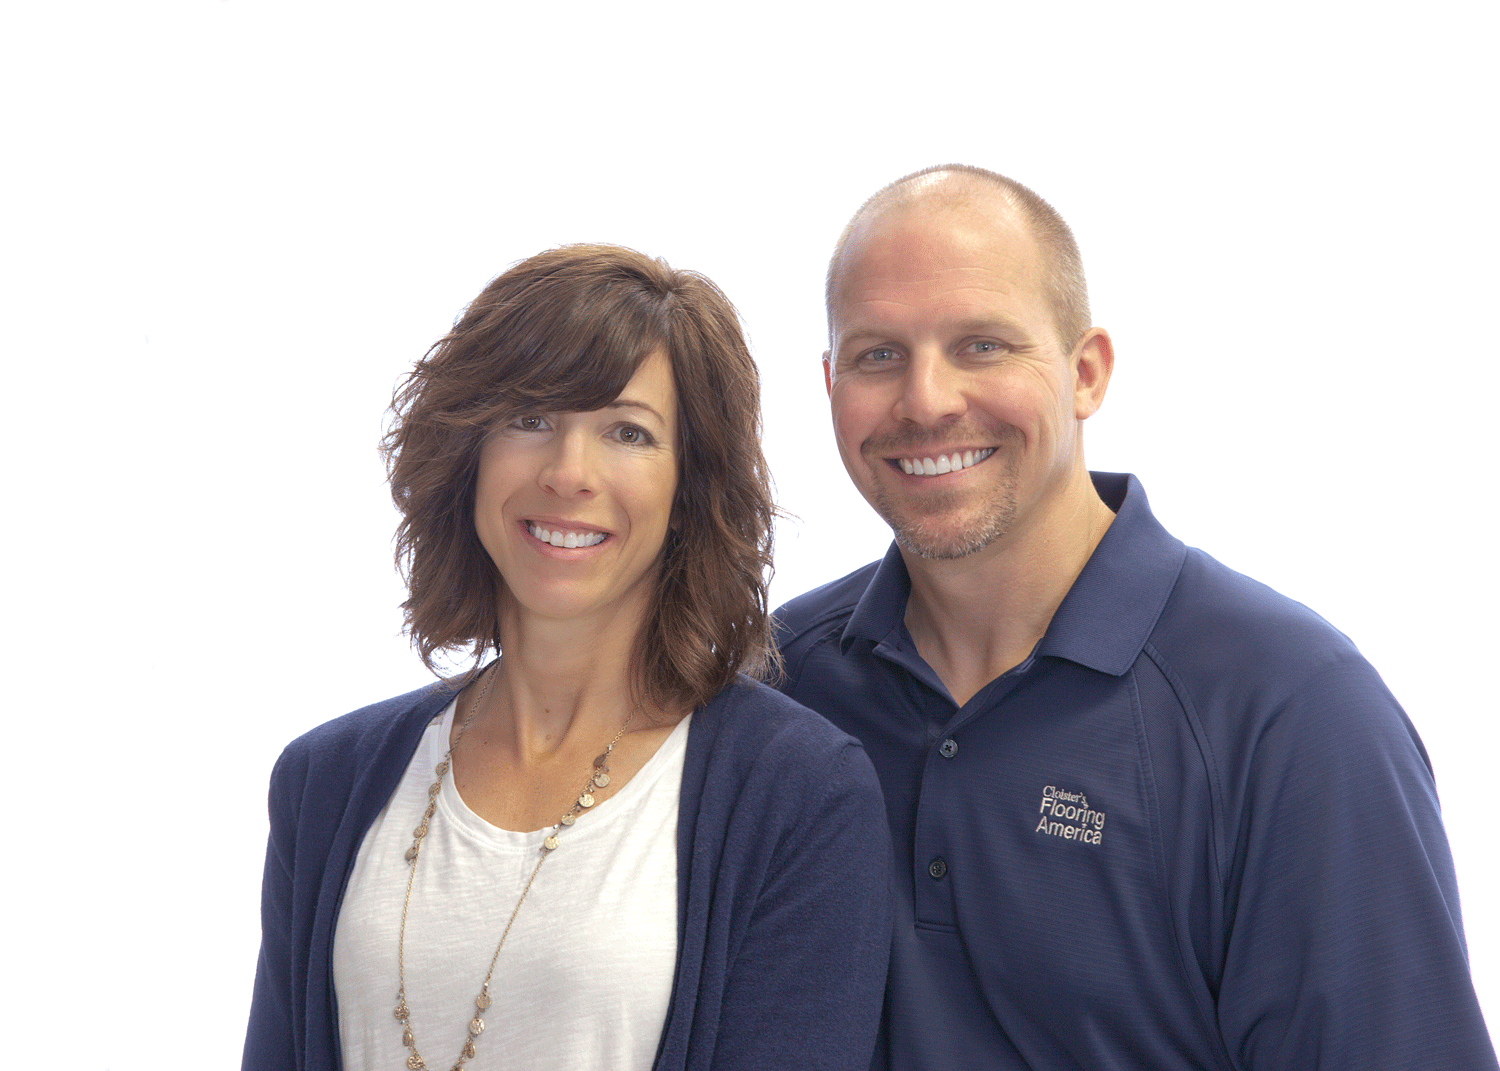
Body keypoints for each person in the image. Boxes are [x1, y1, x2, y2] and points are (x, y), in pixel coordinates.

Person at [774, 165, 1498, 1070]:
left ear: (1086, 373)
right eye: (880, 354)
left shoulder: (1292, 711)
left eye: (983, 346)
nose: (926, 400)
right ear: (832, 383)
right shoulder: (783, 687)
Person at [244, 245, 892, 1071]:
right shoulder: (326, 780)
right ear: (466, 454)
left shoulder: (800, 794)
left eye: (628, 432)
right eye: (530, 419)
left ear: (689, 487)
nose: (569, 473)